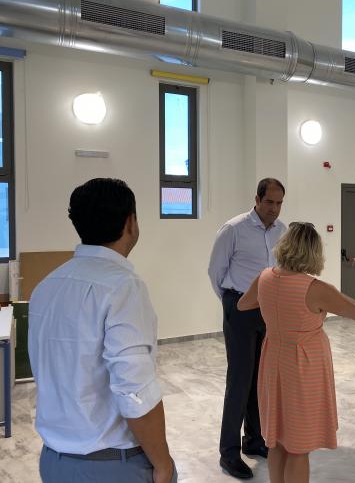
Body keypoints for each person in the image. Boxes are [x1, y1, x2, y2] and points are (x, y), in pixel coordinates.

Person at [28, 178, 176, 483]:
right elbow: (134, 391)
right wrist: (163, 464)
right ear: (131, 223)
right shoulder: (123, 287)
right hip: (111, 466)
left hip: (54, 461)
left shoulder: (46, 286)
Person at [238, 222, 355, 483]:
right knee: (298, 446)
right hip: (302, 367)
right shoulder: (315, 288)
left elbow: (243, 304)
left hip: (273, 360)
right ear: (313, 252)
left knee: (277, 440)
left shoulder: (264, 277)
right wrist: (334, 294)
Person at [208, 178, 287, 479]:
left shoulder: (282, 231)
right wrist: (232, 304)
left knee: (260, 378)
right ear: (257, 199)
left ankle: (254, 440)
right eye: (269, 202)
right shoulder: (234, 229)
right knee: (239, 380)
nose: (274, 209)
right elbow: (215, 271)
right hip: (239, 306)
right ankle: (228, 453)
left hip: (268, 310)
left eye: (279, 203)